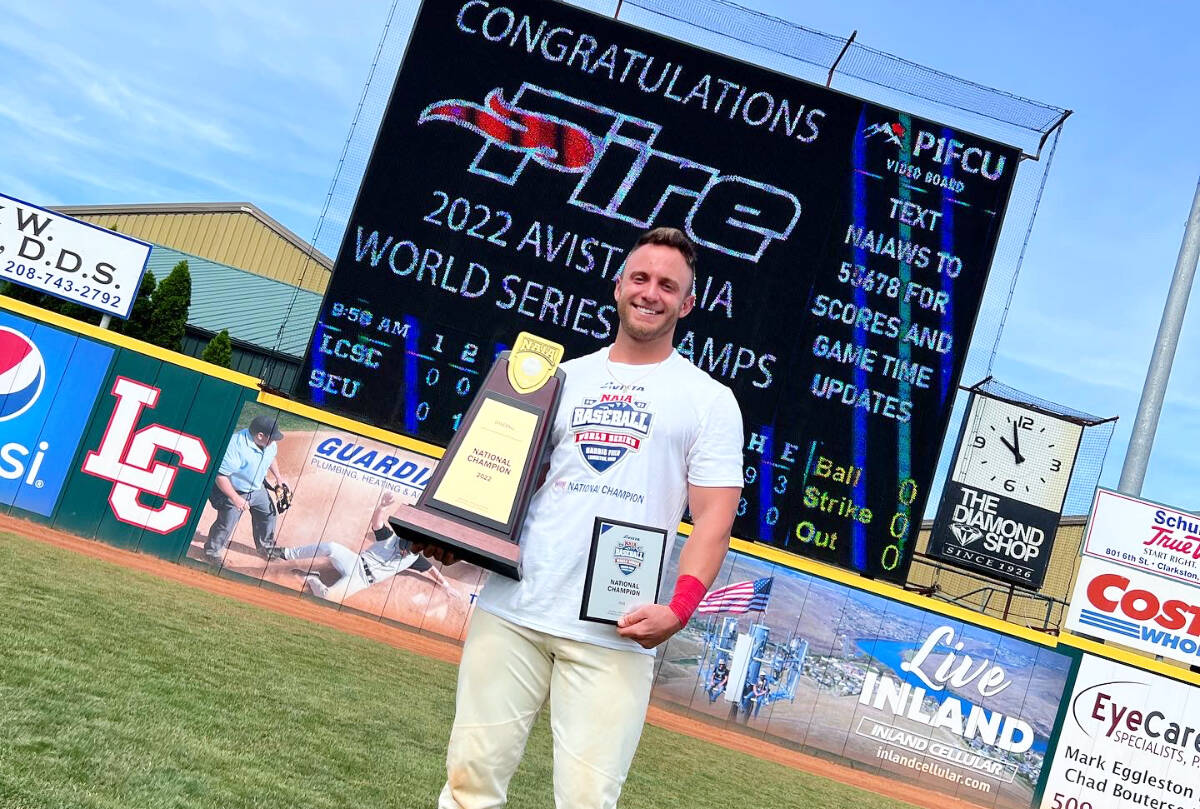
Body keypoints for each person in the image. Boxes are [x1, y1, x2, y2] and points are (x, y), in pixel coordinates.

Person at [420, 227, 744, 809]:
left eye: (668, 286)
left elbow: (715, 517)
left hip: (615, 629)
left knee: (588, 801)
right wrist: (457, 535)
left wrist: (680, 606)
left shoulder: (709, 399)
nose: (651, 293)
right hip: (515, 607)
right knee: (469, 782)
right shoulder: (559, 379)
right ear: (618, 286)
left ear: (688, 304)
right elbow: (506, 484)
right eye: (640, 278)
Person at [279, 490, 454, 601]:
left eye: (407, 549)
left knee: (329, 597)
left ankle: (311, 578)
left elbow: (431, 570)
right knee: (331, 547)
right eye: (404, 546)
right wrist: (382, 507)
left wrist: (446, 586)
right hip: (354, 561)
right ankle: (287, 553)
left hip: (361, 581)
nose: (404, 550)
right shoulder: (390, 538)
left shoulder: (414, 559)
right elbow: (377, 524)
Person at [203, 414, 288, 563]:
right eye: (272, 437)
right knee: (226, 523)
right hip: (235, 490)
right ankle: (212, 552)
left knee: (268, 515)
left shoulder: (268, 443)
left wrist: (278, 477)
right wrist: (235, 498)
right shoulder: (235, 446)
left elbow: (271, 457)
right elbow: (220, 475)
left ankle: (265, 548)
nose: (274, 441)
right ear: (260, 435)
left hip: (256, 488)